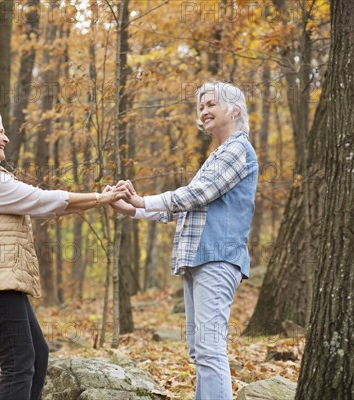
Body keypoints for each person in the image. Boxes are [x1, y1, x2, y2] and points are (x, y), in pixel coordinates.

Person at [0, 104, 130, 400]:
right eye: (1, 131)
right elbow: (42, 200)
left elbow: (45, 205)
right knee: (18, 363)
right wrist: (101, 197)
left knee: (37, 355)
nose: (6, 138)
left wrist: (99, 199)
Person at [108, 82, 258, 400]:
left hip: (217, 257)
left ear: (234, 109)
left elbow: (196, 195)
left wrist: (143, 200)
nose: (203, 111)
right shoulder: (218, 155)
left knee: (209, 348)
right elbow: (185, 209)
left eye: (211, 104)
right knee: (200, 350)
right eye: (201, 106)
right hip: (198, 259)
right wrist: (131, 209)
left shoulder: (237, 150)